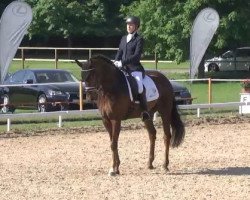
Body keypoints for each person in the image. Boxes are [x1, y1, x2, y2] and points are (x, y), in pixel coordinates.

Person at [114, 16, 150, 121]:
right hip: (122, 68)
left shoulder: (139, 39)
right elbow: (119, 52)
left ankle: (144, 111)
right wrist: (115, 61)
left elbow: (136, 56)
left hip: (135, 68)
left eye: (131, 25)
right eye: (127, 25)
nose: (128, 27)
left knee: (139, 86)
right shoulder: (123, 38)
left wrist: (122, 62)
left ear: (136, 27)